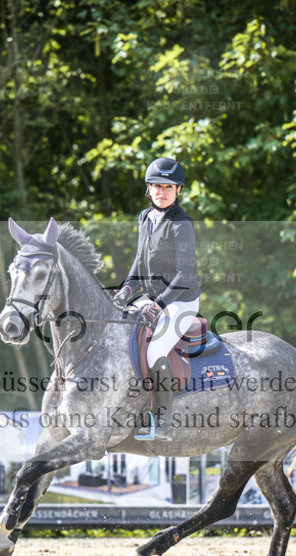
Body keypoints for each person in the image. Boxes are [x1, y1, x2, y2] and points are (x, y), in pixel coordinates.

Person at [113, 157, 201, 441]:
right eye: (156, 186)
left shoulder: (181, 224)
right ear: (148, 189)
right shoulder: (145, 218)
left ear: (178, 191)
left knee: (154, 351)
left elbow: (184, 275)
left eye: (167, 187)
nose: (161, 192)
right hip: (152, 298)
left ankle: (162, 421)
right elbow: (139, 261)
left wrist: (159, 304)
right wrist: (127, 289)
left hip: (181, 301)